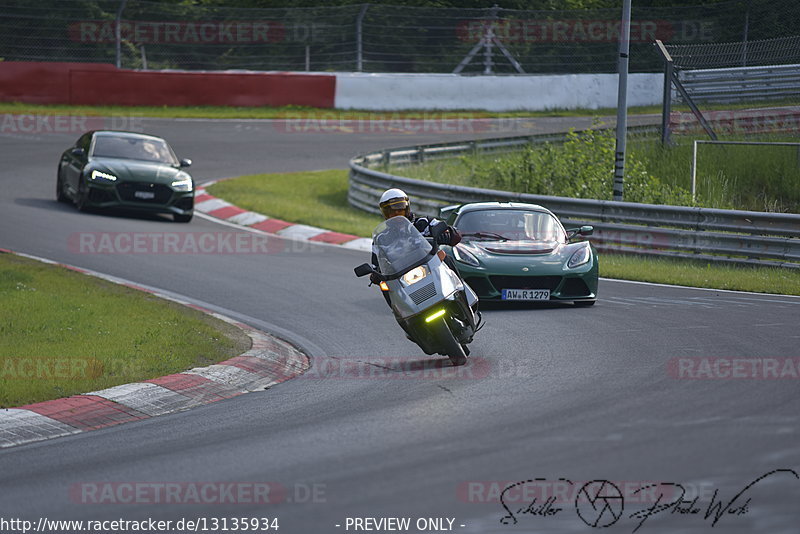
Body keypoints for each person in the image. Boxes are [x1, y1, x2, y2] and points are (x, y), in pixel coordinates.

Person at [370, 189, 479, 324]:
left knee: (444, 256)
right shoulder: (381, 239)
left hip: (431, 266)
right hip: (403, 277)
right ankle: (402, 315)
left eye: (400, 209)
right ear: (385, 214)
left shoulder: (423, 223)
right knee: (385, 285)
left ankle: (463, 296)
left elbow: (446, 229)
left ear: (407, 208)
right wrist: (375, 274)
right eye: (391, 211)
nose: (396, 213)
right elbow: (376, 264)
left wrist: (448, 233)